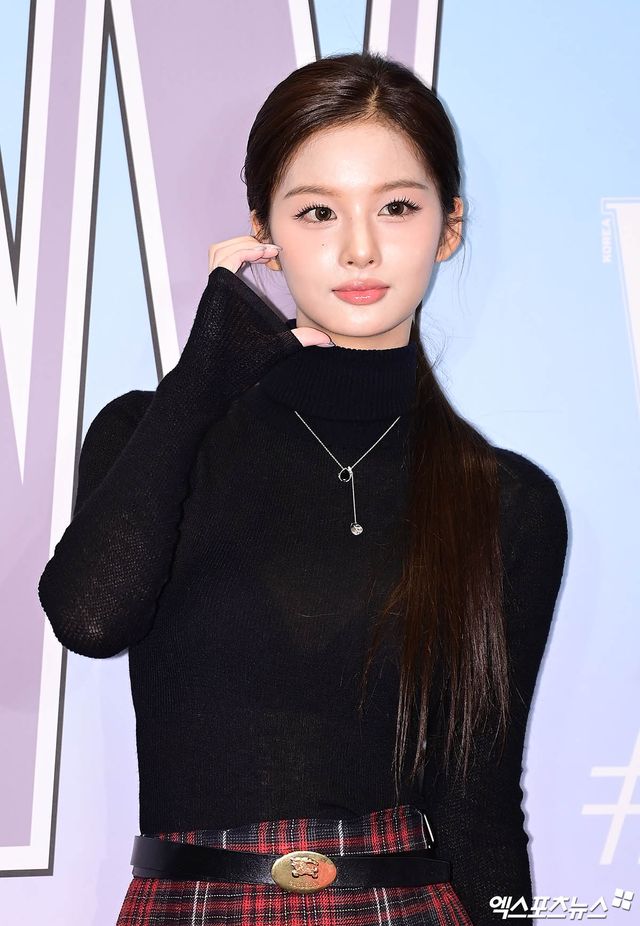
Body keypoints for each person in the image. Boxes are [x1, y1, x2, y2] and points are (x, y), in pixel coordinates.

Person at [37, 51, 569, 926]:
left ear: (449, 227)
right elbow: (90, 620)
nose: (359, 247)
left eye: (397, 207)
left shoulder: (504, 500)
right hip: (192, 905)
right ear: (263, 232)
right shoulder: (154, 433)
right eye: (318, 211)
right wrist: (203, 376)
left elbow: (480, 810)